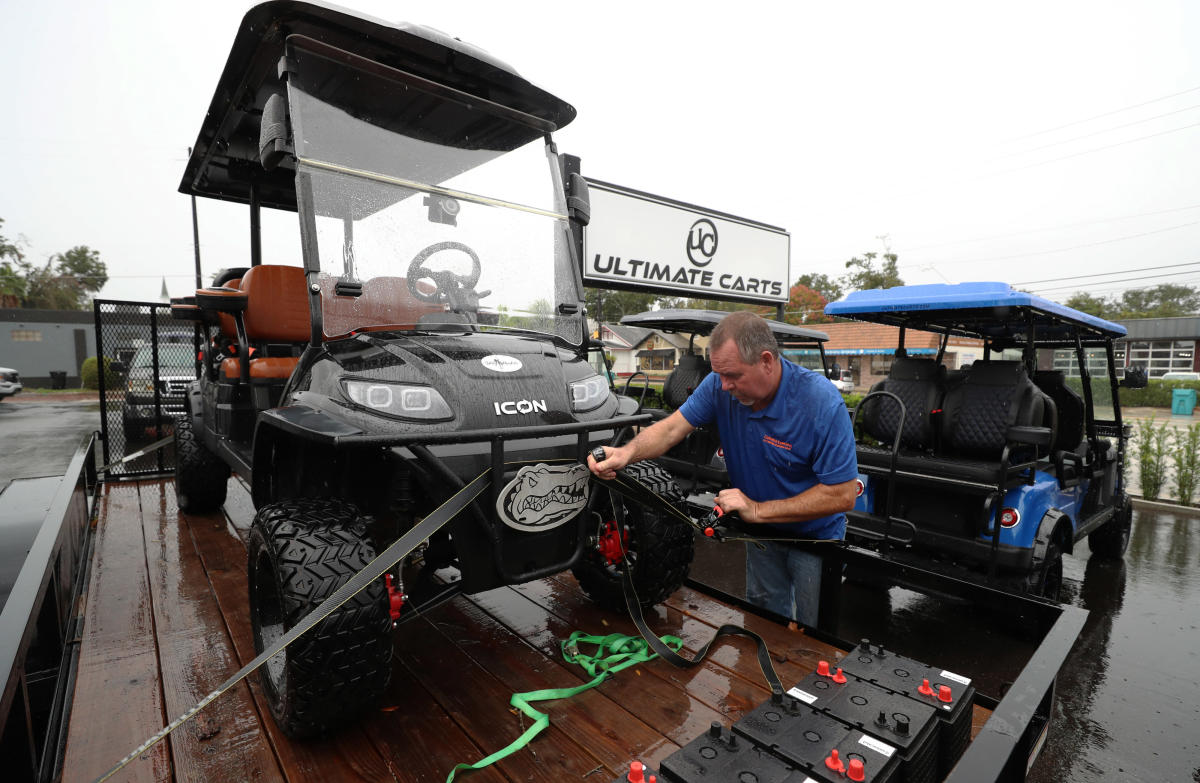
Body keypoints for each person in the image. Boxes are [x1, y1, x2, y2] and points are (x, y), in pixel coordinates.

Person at [588, 310, 858, 628]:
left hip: (816, 539)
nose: (724, 385)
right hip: (762, 534)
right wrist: (625, 453)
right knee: (764, 624)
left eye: (733, 376)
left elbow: (842, 495)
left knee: (814, 636)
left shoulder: (819, 403)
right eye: (720, 375)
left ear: (767, 361)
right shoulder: (719, 385)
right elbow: (672, 429)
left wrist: (757, 509)